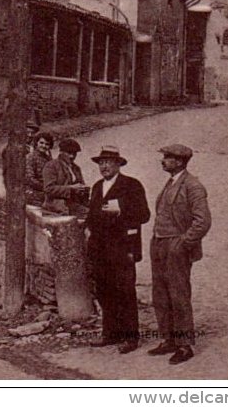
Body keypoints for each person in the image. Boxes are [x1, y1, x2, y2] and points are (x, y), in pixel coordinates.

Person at [148, 144, 211, 365]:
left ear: (180, 162)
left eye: (168, 158)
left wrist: (183, 243)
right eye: (164, 156)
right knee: (161, 294)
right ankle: (169, 340)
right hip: (159, 244)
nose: (163, 160)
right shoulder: (170, 182)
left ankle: (184, 346)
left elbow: (202, 221)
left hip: (176, 246)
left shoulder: (193, 186)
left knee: (179, 294)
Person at [85, 146, 150, 353]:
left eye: (108, 162)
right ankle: (110, 333)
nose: (103, 166)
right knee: (104, 291)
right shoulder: (96, 187)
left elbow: (144, 215)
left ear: (118, 164)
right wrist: (87, 229)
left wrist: (120, 209)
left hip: (123, 249)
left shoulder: (131, 185)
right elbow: (92, 215)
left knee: (125, 292)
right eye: (100, 163)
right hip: (100, 250)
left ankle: (130, 338)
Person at [42, 138, 88, 217]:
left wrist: (83, 190)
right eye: (69, 153)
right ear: (61, 152)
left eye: (74, 153)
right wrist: (71, 188)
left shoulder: (76, 168)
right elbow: (48, 189)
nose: (72, 156)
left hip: (74, 204)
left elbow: (81, 186)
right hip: (55, 205)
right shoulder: (51, 166)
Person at [25, 132, 55, 207]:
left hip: (47, 190)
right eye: (41, 143)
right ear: (36, 143)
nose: (44, 146)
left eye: (47, 144)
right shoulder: (30, 157)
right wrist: (47, 188)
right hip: (33, 191)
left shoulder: (49, 159)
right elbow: (30, 179)